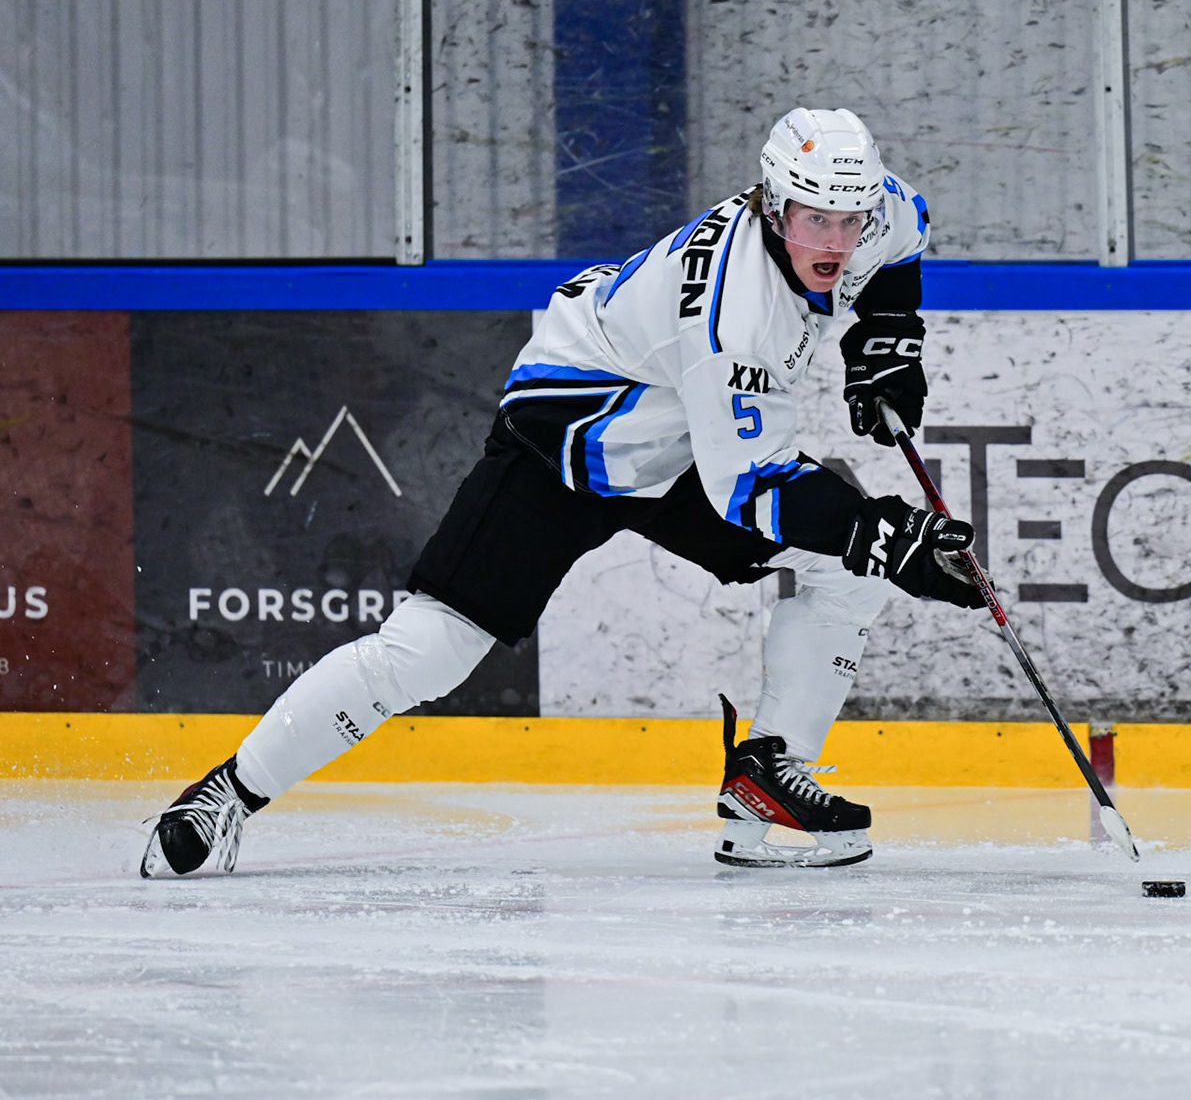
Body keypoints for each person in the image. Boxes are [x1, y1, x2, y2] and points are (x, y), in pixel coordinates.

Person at [140, 107, 984, 876]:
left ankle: (767, 772)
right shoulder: (735, 313)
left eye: (848, 220)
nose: (834, 240)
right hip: (571, 436)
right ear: (771, 204)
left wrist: (889, 334)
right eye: (812, 221)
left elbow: (903, 242)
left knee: (850, 570)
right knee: (429, 652)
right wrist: (888, 536)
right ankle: (227, 793)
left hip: (680, 440)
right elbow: (750, 486)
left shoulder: (876, 211)